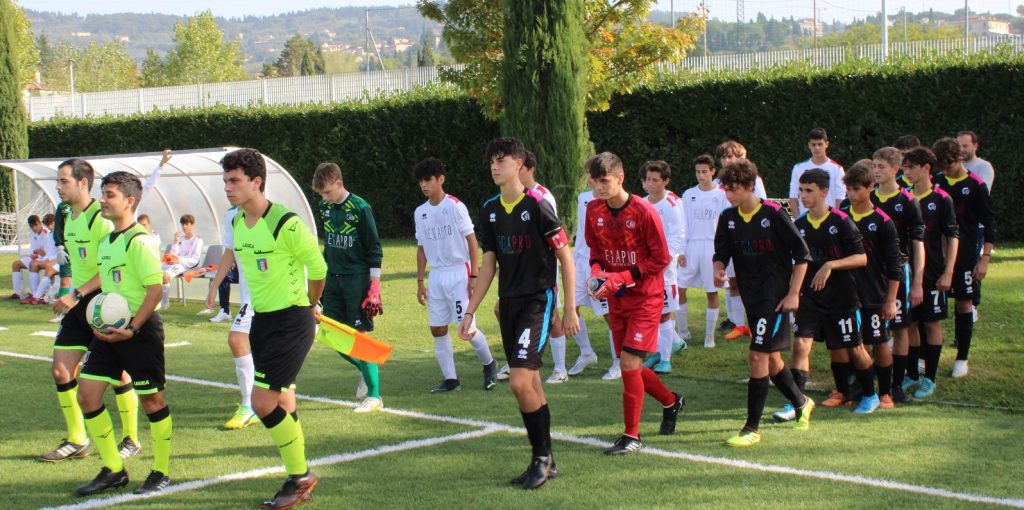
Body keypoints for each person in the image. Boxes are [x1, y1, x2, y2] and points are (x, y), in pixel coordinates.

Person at [457, 137, 578, 489]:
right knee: (532, 383)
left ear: (519, 163)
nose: (495, 166)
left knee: (520, 381)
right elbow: (489, 266)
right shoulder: (489, 209)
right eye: (492, 161)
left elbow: (566, 257)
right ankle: (547, 459)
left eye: (502, 160)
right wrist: (470, 311)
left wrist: (569, 308)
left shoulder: (538, 206)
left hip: (537, 302)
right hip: (508, 303)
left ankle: (541, 459)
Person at [223, 148, 326, 508]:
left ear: (257, 182)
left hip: (291, 322)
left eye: (235, 180)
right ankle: (299, 475)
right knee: (283, 399)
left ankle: (300, 476)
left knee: (261, 402)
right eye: (225, 181)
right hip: (261, 320)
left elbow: (318, 269)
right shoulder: (237, 222)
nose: (228, 188)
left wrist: (310, 305)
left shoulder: (286, 223)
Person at [73, 171, 173, 496]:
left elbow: (154, 290)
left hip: (139, 331)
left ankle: (161, 471)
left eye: (110, 195)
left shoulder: (140, 241)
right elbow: (108, 286)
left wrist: (132, 328)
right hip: (108, 333)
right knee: (87, 394)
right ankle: (114, 469)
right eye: (102, 193)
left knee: (152, 399)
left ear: (129, 201)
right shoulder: (107, 241)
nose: (102, 199)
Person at [585, 152, 686, 455]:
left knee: (628, 363)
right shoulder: (593, 209)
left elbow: (660, 258)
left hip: (645, 298)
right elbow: (595, 252)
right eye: (594, 181)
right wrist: (597, 273)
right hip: (617, 299)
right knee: (631, 365)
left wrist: (624, 277)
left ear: (620, 178)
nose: (598, 187)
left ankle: (632, 436)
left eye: (604, 181)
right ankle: (671, 401)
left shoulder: (644, 211)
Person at [712, 159, 814, 447]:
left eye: (734, 189)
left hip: (776, 297)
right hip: (751, 297)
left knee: (757, 356)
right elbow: (721, 253)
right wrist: (718, 269)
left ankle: (751, 428)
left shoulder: (773, 214)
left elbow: (802, 255)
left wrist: (794, 293)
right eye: (726, 189)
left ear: (750, 186)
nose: (729, 195)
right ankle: (801, 402)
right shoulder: (728, 217)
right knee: (771, 360)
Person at [46, 159, 140, 464]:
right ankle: (77, 439)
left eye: (64, 181)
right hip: (78, 304)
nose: (58, 187)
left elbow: (108, 269)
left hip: (104, 303)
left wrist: (76, 294)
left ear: (82, 183)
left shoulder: (100, 219)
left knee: (117, 374)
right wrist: (69, 291)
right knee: (61, 370)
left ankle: (132, 438)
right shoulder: (67, 216)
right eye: (58, 181)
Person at [789, 169, 876, 414]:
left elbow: (861, 258)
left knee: (854, 348)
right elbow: (796, 261)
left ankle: (870, 395)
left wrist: (830, 265)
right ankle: (797, 401)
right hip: (810, 297)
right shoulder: (799, 225)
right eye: (801, 190)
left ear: (824, 192)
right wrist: (792, 291)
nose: (803, 196)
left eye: (809, 190)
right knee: (801, 344)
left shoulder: (841, 221)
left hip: (842, 297)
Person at [412, 157, 498, 393]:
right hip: (436, 277)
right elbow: (421, 248)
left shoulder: (455, 206)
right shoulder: (420, 212)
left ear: (441, 179)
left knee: (466, 328)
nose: (424, 184)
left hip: (459, 273)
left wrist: (473, 276)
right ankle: (450, 379)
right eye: (421, 181)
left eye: (428, 179)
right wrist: (420, 281)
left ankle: (489, 365)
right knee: (437, 329)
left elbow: (472, 240)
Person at [313, 162, 386, 413]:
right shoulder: (324, 207)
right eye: (321, 194)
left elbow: (374, 248)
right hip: (332, 279)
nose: (324, 197)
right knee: (332, 336)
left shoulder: (361, 208)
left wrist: (374, 287)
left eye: (327, 192)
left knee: (359, 335)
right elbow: (328, 245)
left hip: (357, 279)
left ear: (339, 184)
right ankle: (365, 369)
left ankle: (375, 396)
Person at [932, 137, 995, 379]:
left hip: (966, 255)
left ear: (960, 159)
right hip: (937, 255)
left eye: (948, 165)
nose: (945, 170)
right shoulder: (936, 182)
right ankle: (927, 358)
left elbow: (989, 223)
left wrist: (984, 258)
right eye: (941, 166)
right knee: (931, 305)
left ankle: (962, 358)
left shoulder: (976, 185)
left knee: (964, 303)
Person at [842, 161, 902, 408]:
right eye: (848, 189)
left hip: (875, 291)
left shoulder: (883, 221)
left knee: (879, 340)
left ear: (870, 188)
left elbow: (895, 264)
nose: (851, 194)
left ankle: (885, 391)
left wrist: (891, 299)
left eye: (856, 189)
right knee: (856, 343)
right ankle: (860, 390)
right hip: (848, 292)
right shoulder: (841, 216)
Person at [903, 147, 959, 398]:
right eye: (904, 167)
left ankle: (930, 379)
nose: (906, 172)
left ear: (926, 168)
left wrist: (948, 272)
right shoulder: (904, 198)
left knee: (931, 323)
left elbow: (953, 236)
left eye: (910, 167)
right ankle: (912, 374)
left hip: (933, 272)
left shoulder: (942, 199)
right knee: (911, 324)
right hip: (907, 273)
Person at [870, 147, 925, 397]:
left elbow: (917, 243)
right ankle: (872, 378)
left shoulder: (908, 202)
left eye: (881, 166)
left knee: (900, 326)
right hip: (871, 272)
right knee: (873, 326)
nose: (876, 171)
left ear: (895, 169)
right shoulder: (867, 198)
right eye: (874, 166)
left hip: (898, 271)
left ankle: (897, 384)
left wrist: (918, 281)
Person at [205, 204, 259, 429]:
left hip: (270, 294)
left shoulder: (272, 213)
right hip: (250, 297)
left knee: (244, 342)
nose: (228, 189)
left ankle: (253, 405)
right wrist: (214, 285)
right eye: (227, 185)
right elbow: (230, 252)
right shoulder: (231, 216)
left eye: (234, 185)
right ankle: (251, 405)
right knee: (240, 341)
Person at [677, 154, 729, 349]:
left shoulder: (722, 195)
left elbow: (725, 225)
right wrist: (682, 250)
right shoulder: (688, 194)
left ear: (713, 171)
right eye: (698, 172)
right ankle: (683, 332)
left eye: (704, 172)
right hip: (691, 246)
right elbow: (683, 224)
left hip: (711, 247)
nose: (701, 175)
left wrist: (723, 251)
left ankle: (709, 337)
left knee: (711, 292)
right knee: (679, 288)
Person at [639, 160, 686, 374]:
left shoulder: (672, 204)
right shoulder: (641, 203)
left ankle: (665, 360)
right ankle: (662, 349)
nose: (650, 184)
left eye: (655, 180)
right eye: (648, 179)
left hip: (664, 269)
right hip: (645, 266)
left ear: (666, 181)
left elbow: (678, 235)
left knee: (664, 313)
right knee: (649, 312)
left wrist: (665, 261)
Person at [571, 174, 611, 379]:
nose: (588, 178)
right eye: (587, 173)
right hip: (579, 260)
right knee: (572, 308)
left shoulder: (612, 200)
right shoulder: (582, 198)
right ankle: (586, 353)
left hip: (600, 263)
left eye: (592, 175)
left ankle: (620, 362)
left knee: (608, 313)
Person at [788, 128, 846, 216]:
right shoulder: (798, 168)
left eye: (820, 144)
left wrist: (835, 219)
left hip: (829, 220)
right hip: (806, 219)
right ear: (809, 145)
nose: (817, 148)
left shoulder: (837, 169)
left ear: (826, 144)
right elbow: (793, 197)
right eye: (813, 144)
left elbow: (840, 198)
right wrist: (798, 220)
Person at [159, 214, 203, 309]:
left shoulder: (198, 240)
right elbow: (173, 254)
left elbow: (195, 260)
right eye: (183, 224)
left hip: (185, 266)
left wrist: (178, 260)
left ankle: (164, 304)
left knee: (165, 276)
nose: (184, 227)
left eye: (186, 224)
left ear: (192, 225)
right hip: (176, 263)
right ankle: (153, 300)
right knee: (155, 271)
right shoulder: (181, 239)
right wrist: (175, 242)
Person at [9, 215, 48, 302]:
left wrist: (37, 253)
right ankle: (18, 293)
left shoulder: (46, 233)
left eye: (36, 225)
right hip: (37, 257)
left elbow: (46, 252)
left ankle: (35, 294)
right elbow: (32, 249)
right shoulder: (33, 234)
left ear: (40, 223)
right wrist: (34, 252)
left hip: (45, 259)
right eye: (32, 226)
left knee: (32, 264)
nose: (34, 228)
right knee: (16, 264)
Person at [26, 213, 59, 304]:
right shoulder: (51, 234)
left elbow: (61, 251)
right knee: (33, 264)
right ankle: (37, 295)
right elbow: (50, 251)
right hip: (50, 258)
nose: (49, 226)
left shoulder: (59, 233)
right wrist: (47, 258)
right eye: (48, 225)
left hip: (63, 260)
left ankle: (39, 297)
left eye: (51, 224)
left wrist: (48, 258)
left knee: (48, 267)